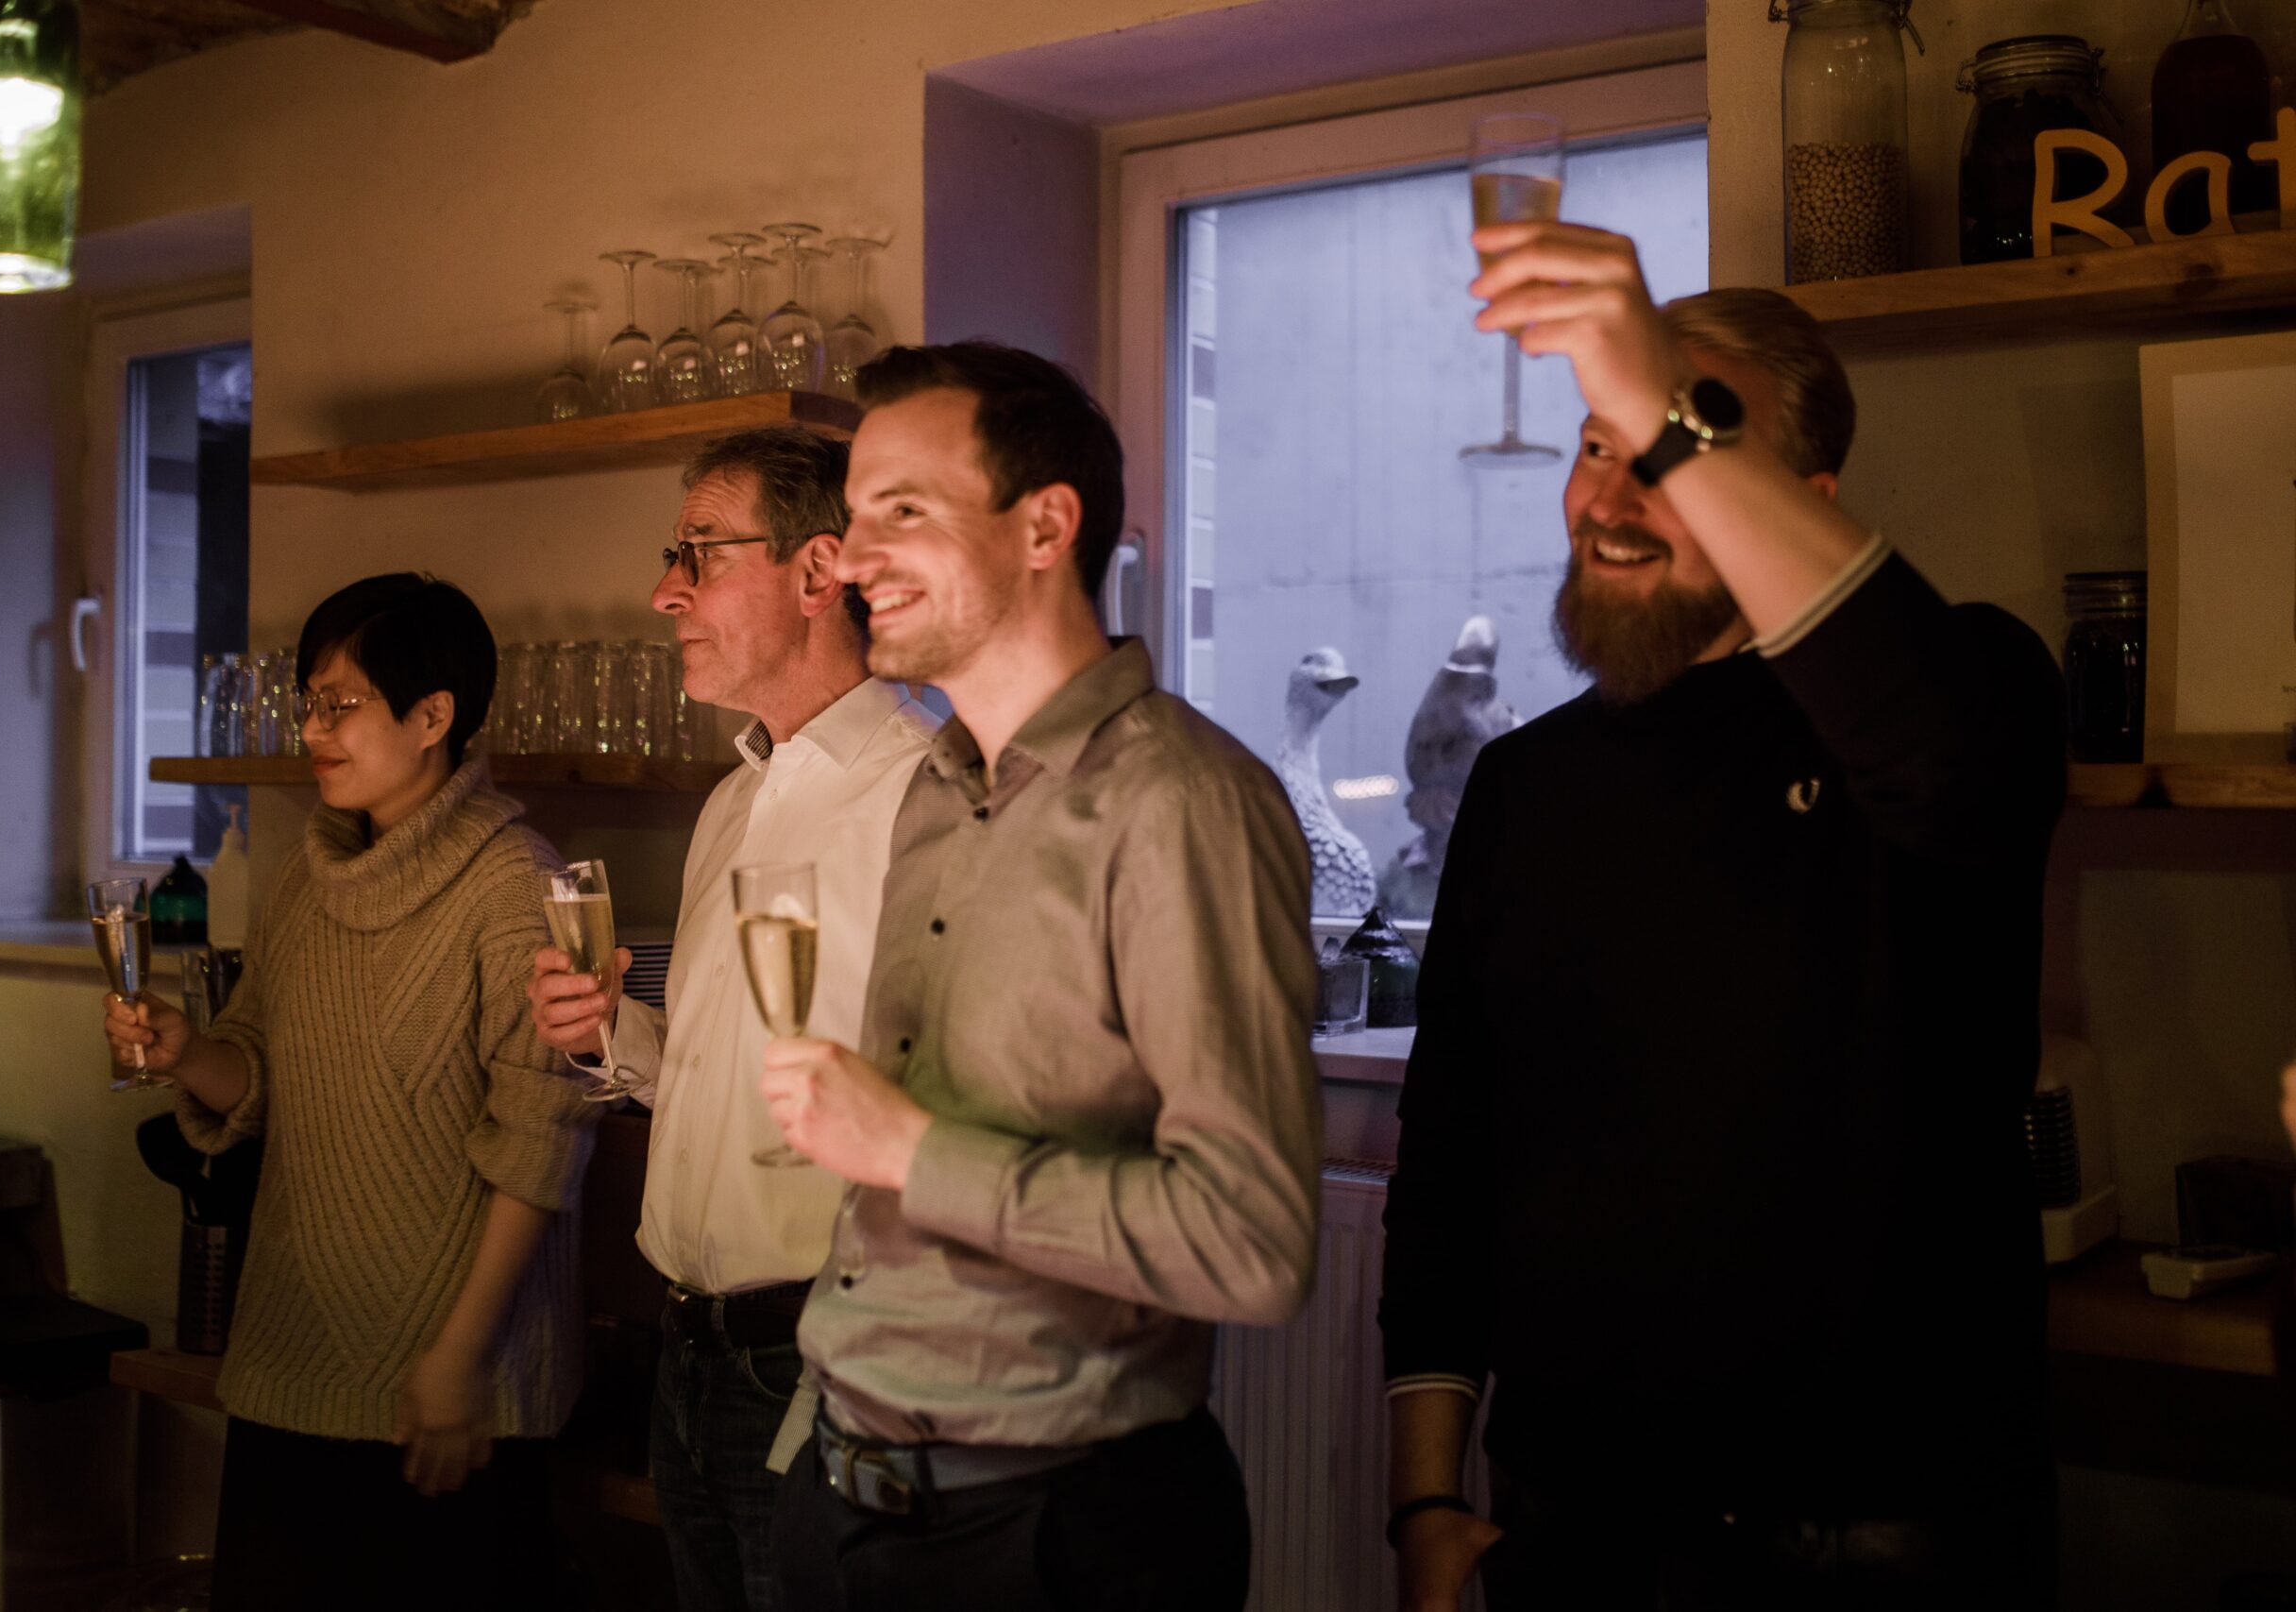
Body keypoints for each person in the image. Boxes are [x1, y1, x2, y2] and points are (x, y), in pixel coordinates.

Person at [1380, 229, 2065, 1610]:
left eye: (1672, 445)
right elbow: (1451, 1157)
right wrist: (1427, 1501)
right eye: (1595, 440)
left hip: (1872, 1542)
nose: (1612, 491)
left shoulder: (1966, 684)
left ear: (1798, 495)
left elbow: (1945, 757)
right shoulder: (1523, 784)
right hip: (1564, 1525)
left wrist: (1664, 408)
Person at [757, 341, 1324, 1612]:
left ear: (1044, 526)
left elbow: (1256, 1242)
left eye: (901, 510)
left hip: (1052, 1533)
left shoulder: (1182, 803)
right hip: (840, 1492)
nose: (849, 559)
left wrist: (911, 1151)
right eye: (852, 518)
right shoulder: (933, 796)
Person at [104, 574, 598, 1611]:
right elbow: (263, 1073)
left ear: (432, 718)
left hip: (449, 1385)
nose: (315, 729)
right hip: (291, 1354)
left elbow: (543, 1138)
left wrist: (460, 1356)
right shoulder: (307, 872)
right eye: (308, 701)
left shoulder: (514, 882)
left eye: (343, 703)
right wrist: (187, 1051)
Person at [525, 426, 934, 1612]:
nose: (666, 592)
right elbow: (738, 1070)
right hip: (684, 1355)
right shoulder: (732, 801)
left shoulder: (926, 798)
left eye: (699, 552)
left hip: (827, 1362)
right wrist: (615, 1035)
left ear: (818, 573)